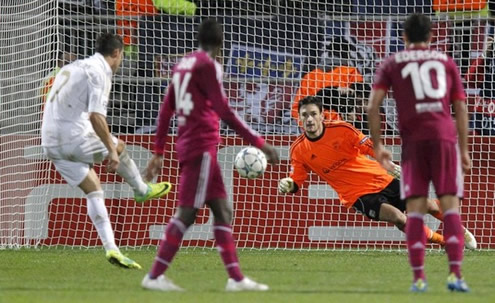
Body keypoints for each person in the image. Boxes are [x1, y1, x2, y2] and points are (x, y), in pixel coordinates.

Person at [141, 19, 279, 292]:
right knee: (187, 213)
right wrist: (259, 142)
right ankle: (154, 276)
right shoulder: (209, 65)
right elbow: (224, 109)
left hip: (197, 145)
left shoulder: (182, 65)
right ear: (221, 44)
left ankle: (236, 279)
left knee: (223, 210)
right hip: (200, 145)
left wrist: (158, 150)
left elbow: (166, 109)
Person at [41, 32, 172, 269]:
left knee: (94, 190)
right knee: (119, 146)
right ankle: (141, 189)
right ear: (116, 53)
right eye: (121, 57)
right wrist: (111, 151)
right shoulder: (100, 72)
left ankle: (112, 249)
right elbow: (96, 117)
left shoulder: (74, 66)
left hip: (50, 142)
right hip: (73, 136)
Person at [278, 96, 475, 250]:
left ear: (322, 115)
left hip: (380, 178)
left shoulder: (342, 129)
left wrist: (389, 164)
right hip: (357, 195)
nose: (309, 119)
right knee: (398, 218)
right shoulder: (298, 150)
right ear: (299, 118)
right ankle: (445, 242)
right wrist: (288, 184)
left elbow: (370, 147)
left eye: (313, 114)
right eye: (304, 115)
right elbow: (297, 180)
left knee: (429, 205)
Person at [367, 14, 471, 292]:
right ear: (430, 37)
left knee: (413, 211)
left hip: (413, 143)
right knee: (449, 208)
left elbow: (372, 106)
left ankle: (418, 278)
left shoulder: (391, 63)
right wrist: (463, 149)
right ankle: (455, 276)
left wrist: (378, 146)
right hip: (444, 141)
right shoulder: (445, 61)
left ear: (403, 37)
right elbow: (460, 107)